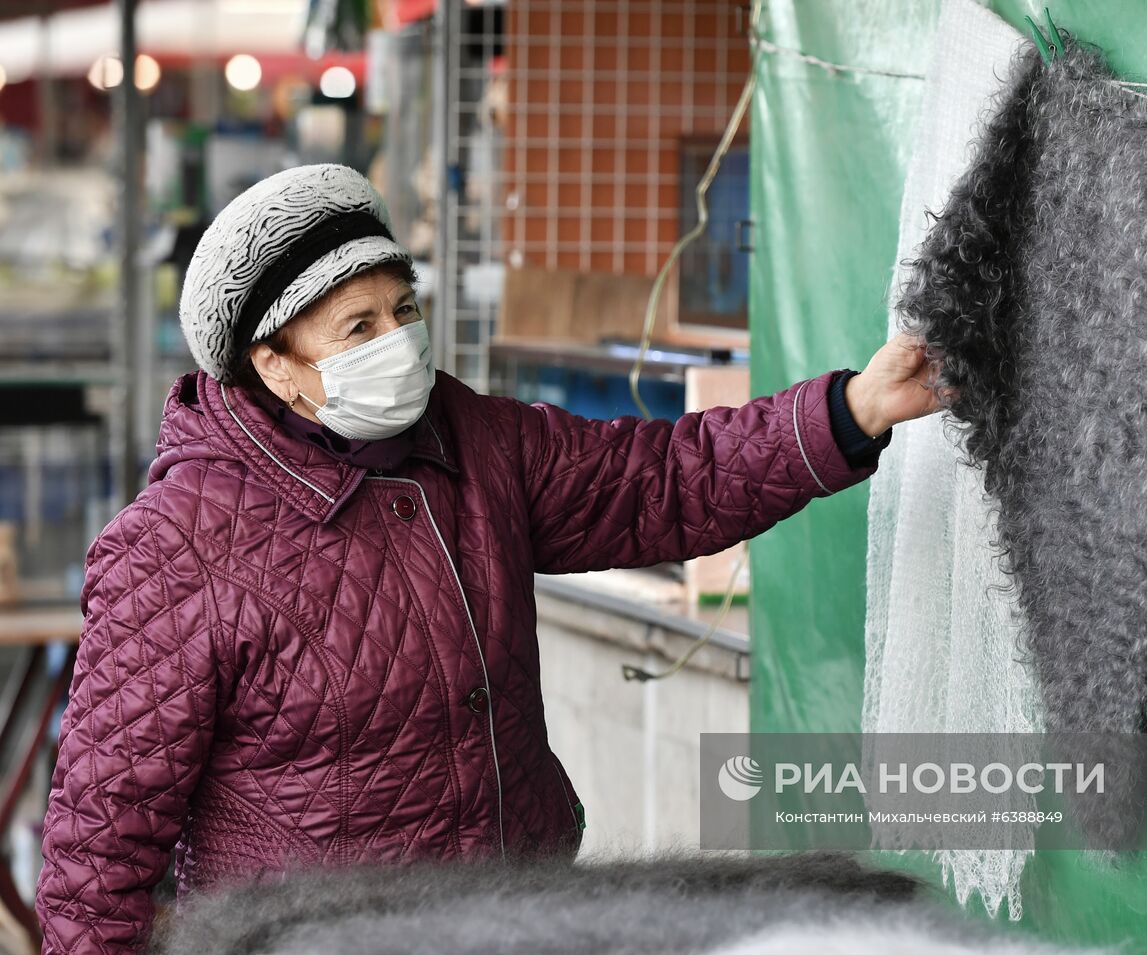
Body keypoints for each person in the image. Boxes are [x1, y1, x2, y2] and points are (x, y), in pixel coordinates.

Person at [34, 164, 945, 954]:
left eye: (403, 310)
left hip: (515, 915)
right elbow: (97, 852)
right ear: (276, 366)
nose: (397, 342)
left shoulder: (479, 443)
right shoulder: (174, 549)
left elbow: (664, 481)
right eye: (357, 329)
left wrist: (854, 408)